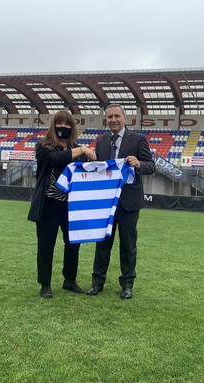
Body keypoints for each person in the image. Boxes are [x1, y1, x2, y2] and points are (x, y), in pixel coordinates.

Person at [86, 104, 155, 299]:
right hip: (106, 203)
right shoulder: (101, 140)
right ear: (106, 120)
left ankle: (127, 285)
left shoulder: (138, 139)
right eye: (110, 117)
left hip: (128, 203)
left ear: (125, 118)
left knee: (127, 245)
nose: (113, 120)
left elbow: (151, 166)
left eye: (117, 116)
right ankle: (97, 282)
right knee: (102, 243)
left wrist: (139, 163)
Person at [28, 110, 96, 298]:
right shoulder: (42, 146)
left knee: (73, 243)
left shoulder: (78, 149)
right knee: (45, 245)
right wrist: (82, 151)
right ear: (53, 125)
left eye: (67, 124)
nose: (63, 127)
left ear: (72, 128)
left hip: (71, 207)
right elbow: (53, 159)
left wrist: (93, 158)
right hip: (47, 205)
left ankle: (70, 280)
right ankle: (45, 284)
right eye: (59, 123)